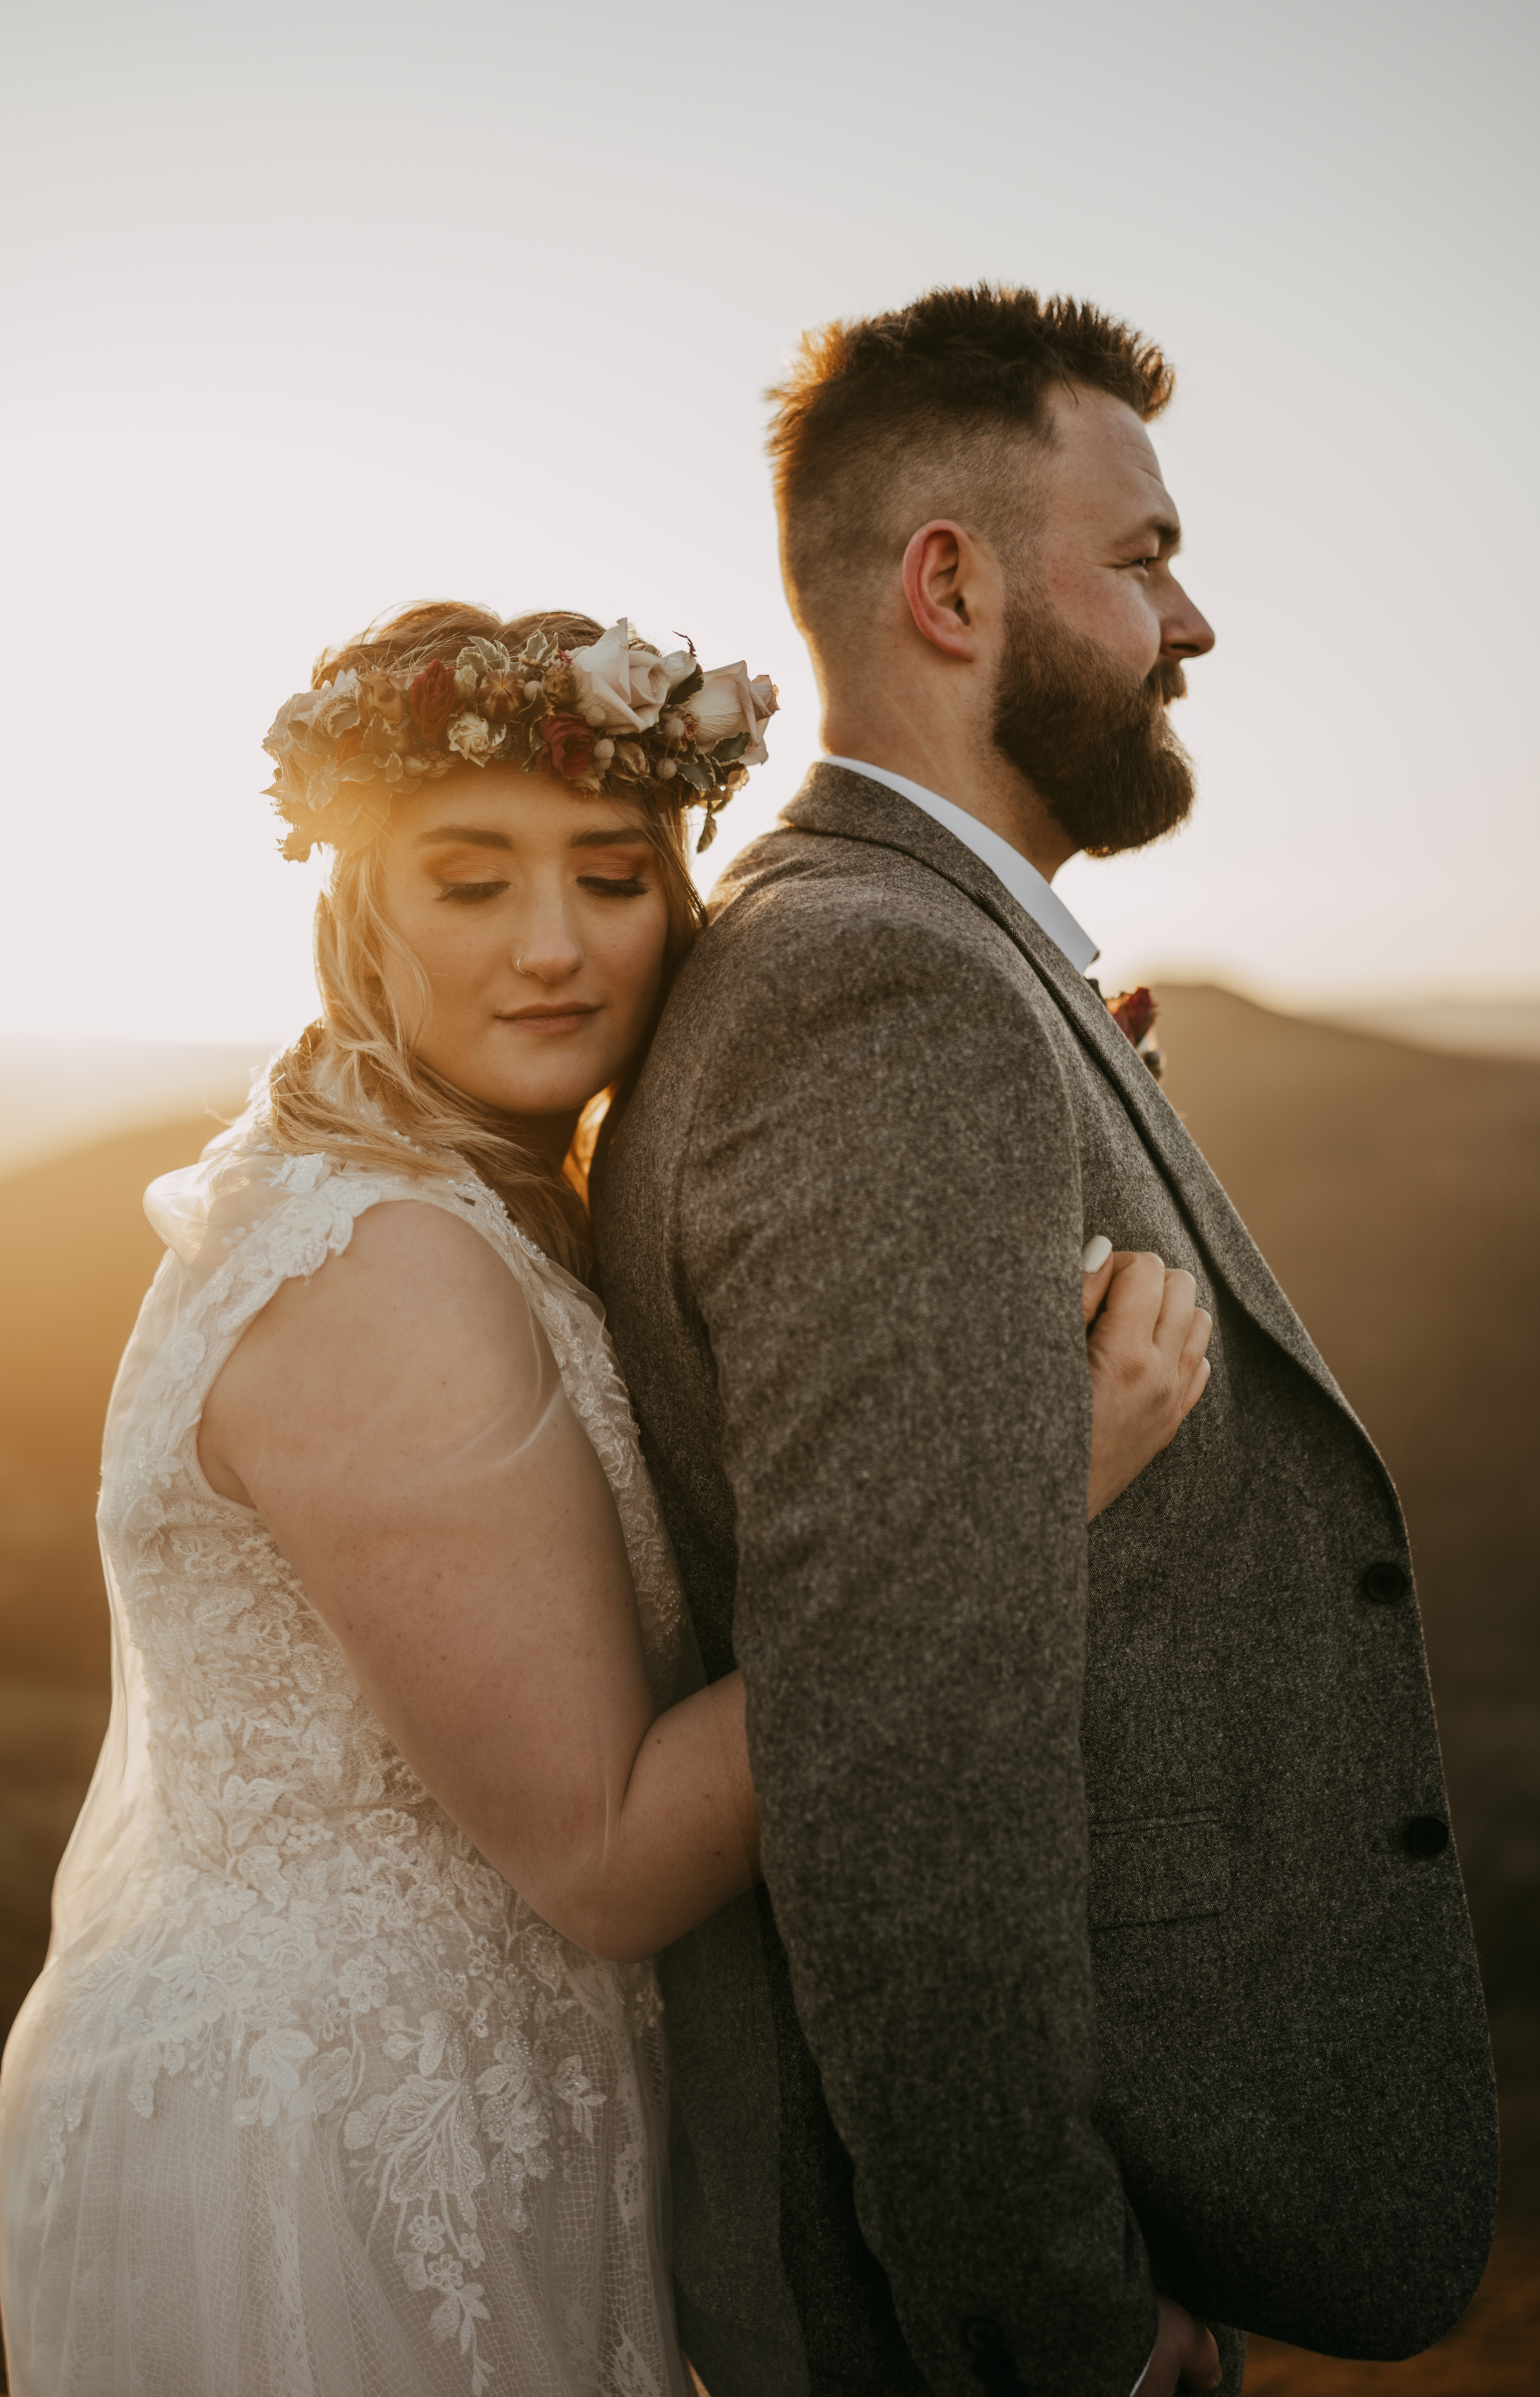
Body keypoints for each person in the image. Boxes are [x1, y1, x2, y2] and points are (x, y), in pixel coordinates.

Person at [0, 600, 1212, 2397]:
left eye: (615, 878)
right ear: (357, 917)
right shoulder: (383, 1269)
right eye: (471, 883)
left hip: (476, 2092)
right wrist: (1030, 1495)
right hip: (349, 2135)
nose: (553, 947)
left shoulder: (476, 1190)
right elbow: (611, 1851)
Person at [590, 285, 1498, 2397]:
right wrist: (1060, 2332)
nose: (1195, 625)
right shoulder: (886, 999)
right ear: (952, 583)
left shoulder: (905, 955)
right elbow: (905, 1763)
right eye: (1151, 555)